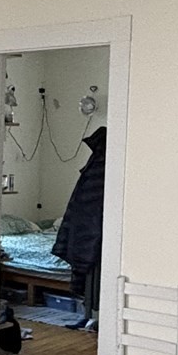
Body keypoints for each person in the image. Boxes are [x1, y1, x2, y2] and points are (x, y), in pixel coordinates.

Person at [50, 126, 107, 329]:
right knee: (91, 276)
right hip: (87, 231)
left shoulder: (100, 166)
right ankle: (89, 313)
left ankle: (94, 315)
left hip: (92, 232)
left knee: (96, 276)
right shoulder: (96, 164)